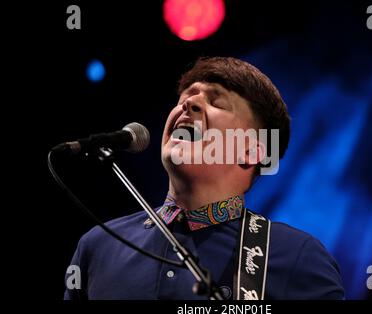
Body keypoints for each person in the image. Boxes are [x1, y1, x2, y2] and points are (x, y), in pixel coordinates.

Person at [64, 57, 345, 300]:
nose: (189, 104)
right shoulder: (98, 246)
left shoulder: (297, 256)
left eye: (216, 101)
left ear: (252, 151)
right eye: (184, 98)